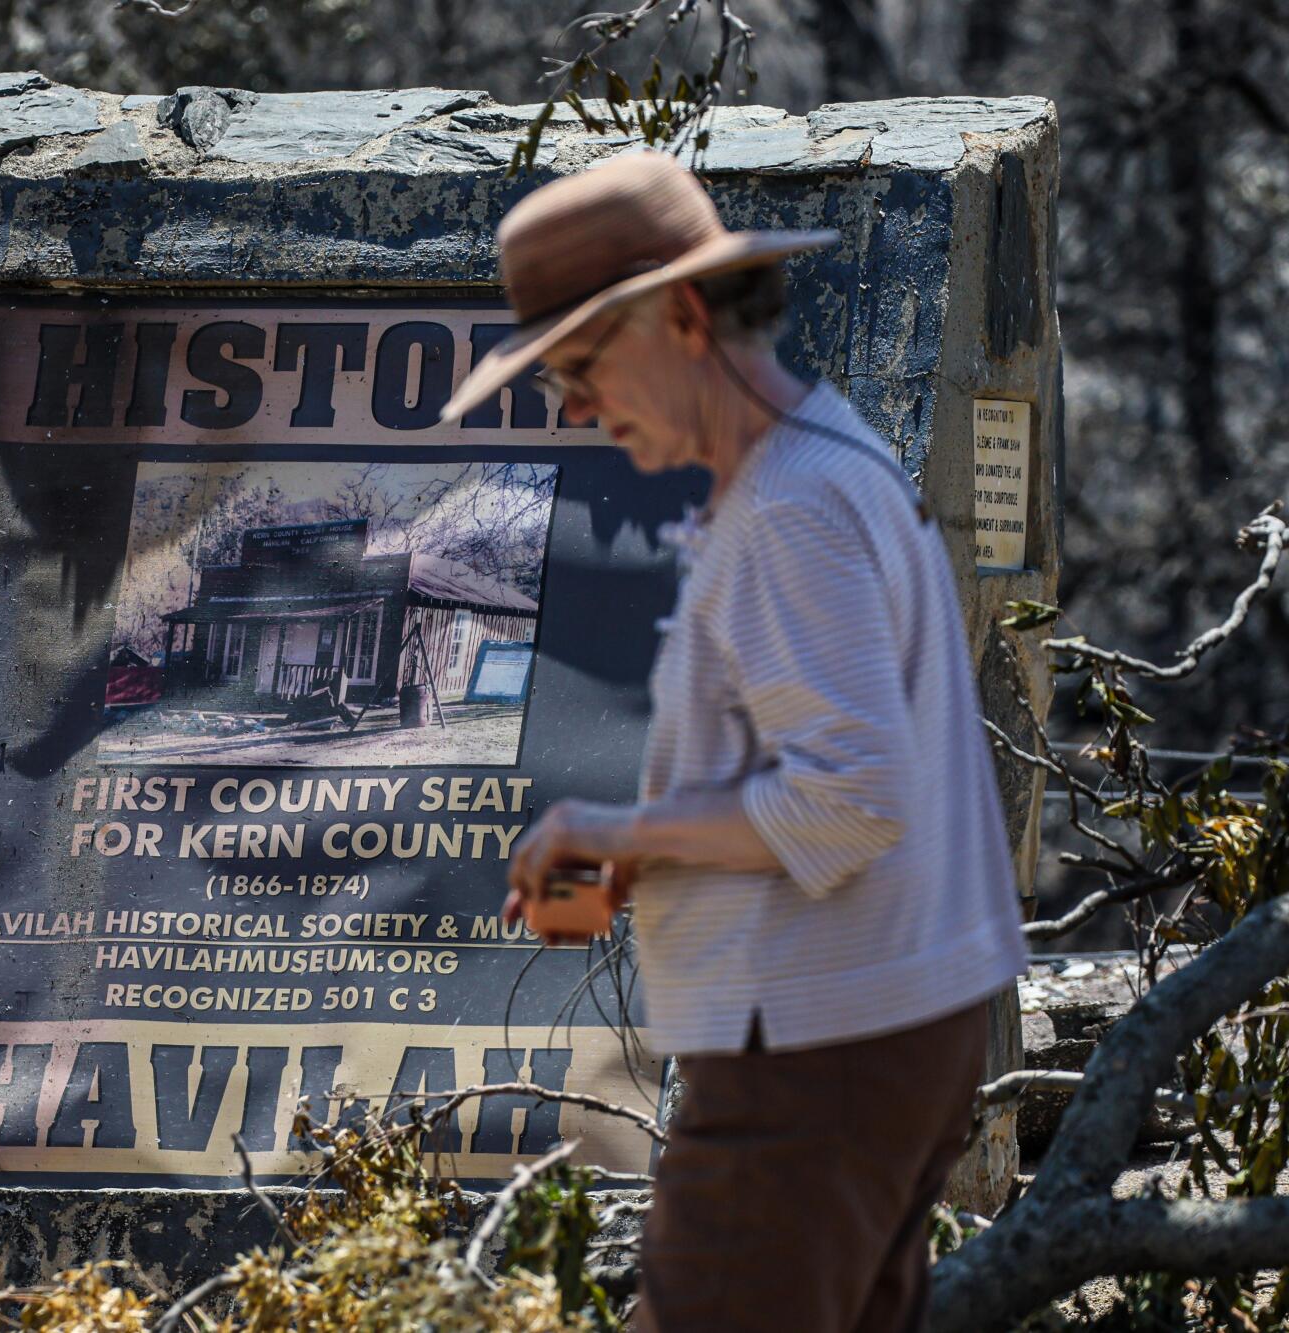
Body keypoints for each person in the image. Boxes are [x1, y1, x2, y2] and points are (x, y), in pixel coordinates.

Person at [438, 151, 1029, 1332]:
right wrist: (648, 857)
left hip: (810, 1054)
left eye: (580, 363)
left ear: (682, 313)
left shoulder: (787, 507)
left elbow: (851, 799)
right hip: (870, 1032)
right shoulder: (818, 463)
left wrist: (617, 827)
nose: (570, 405)